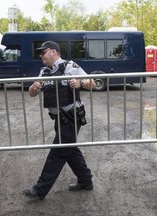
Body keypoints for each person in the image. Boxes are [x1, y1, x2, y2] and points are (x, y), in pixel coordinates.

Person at [23, 41, 96, 200]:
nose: (41, 55)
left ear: (54, 52)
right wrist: (34, 88)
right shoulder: (44, 71)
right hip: (59, 119)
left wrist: (80, 83)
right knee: (70, 151)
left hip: (71, 117)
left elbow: (93, 83)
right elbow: (31, 93)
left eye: (44, 52)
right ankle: (86, 181)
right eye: (40, 53)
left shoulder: (70, 66)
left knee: (58, 152)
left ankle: (40, 190)